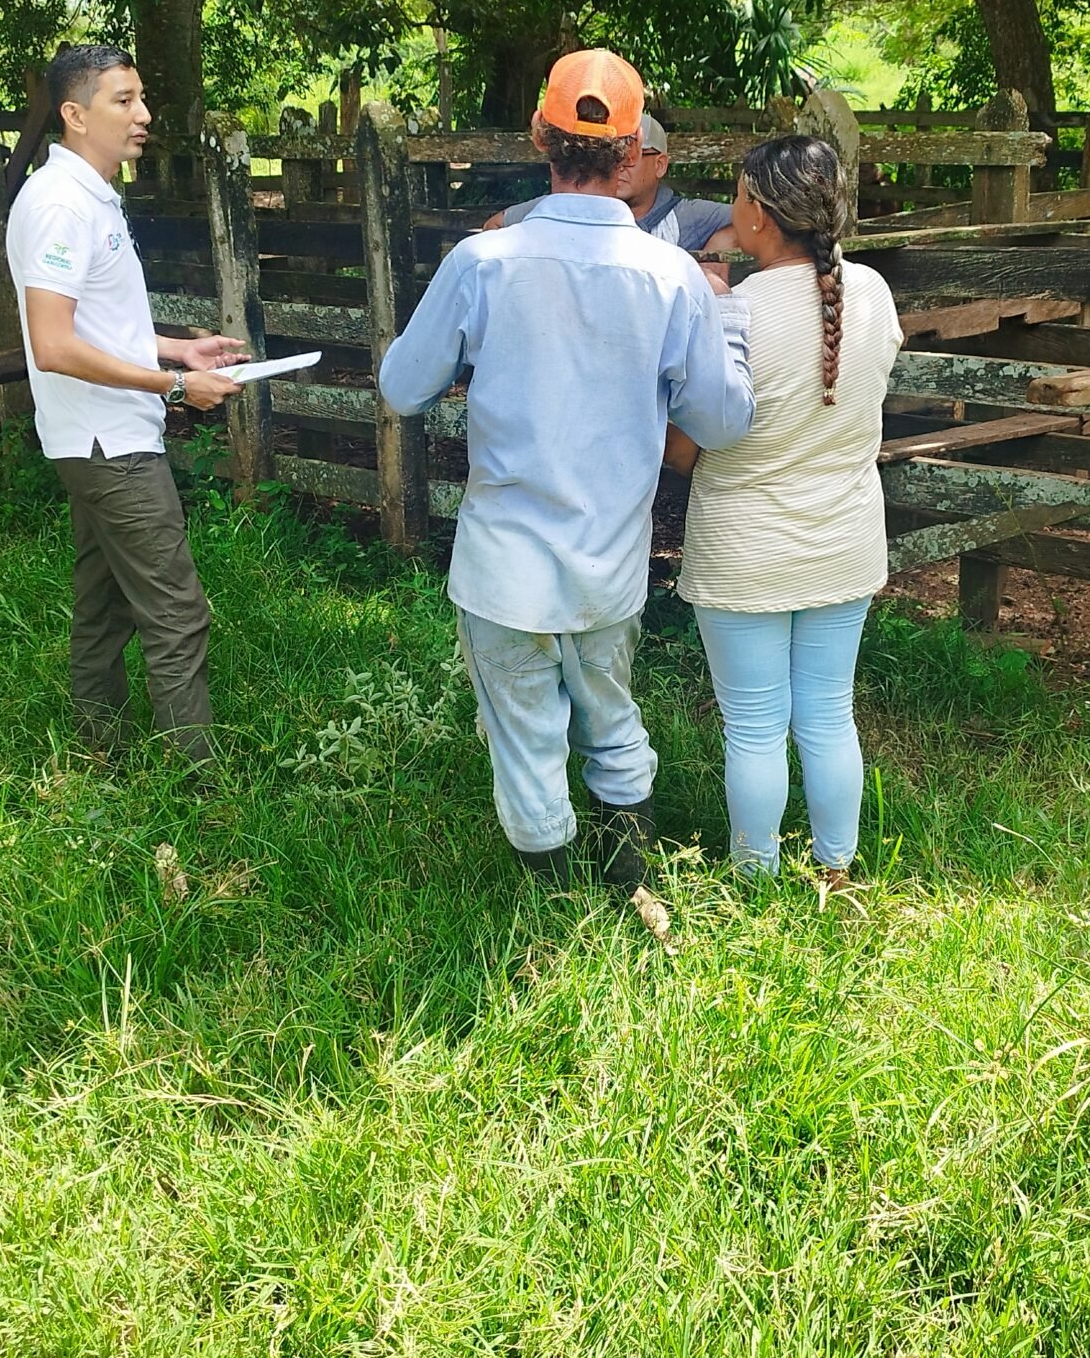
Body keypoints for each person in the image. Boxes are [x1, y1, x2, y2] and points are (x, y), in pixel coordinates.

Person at [378, 48, 755, 889]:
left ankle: (550, 901)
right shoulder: (673, 277)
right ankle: (628, 876)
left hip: (503, 559)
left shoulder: (481, 264)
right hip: (610, 558)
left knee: (521, 728)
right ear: (632, 156)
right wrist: (724, 317)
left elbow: (403, 388)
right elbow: (722, 423)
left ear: (538, 138)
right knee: (610, 714)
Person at [667, 135, 902, 884]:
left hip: (745, 550)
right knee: (829, 714)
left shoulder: (728, 310)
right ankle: (836, 868)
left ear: (760, 215)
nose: (729, 207)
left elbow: (684, 451)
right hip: (844, 538)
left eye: (737, 194)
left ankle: (755, 877)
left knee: (755, 727)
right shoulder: (872, 293)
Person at [5, 44, 249, 765]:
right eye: (123, 101)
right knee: (176, 613)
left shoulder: (88, 198)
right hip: (108, 444)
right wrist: (175, 388)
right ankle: (196, 787)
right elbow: (51, 345)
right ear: (75, 115)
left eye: (141, 98)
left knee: (104, 604)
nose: (143, 115)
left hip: (97, 437)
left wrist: (176, 351)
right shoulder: (57, 206)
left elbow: (99, 329)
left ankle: (98, 751)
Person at [485, 111, 735, 262]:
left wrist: (715, 255)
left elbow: (754, 221)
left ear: (659, 165)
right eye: (613, 153)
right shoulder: (563, 208)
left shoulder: (685, 217)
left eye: (632, 155)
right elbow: (494, 225)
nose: (621, 164)